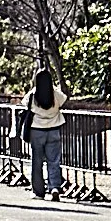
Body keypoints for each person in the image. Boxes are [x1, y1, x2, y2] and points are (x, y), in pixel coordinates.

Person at [25, 67, 67, 199]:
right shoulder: (55, 94)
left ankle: (38, 191)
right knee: (54, 160)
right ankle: (54, 187)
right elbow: (64, 100)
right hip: (54, 129)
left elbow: (24, 104)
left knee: (37, 161)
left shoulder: (33, 95)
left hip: (37, 130)